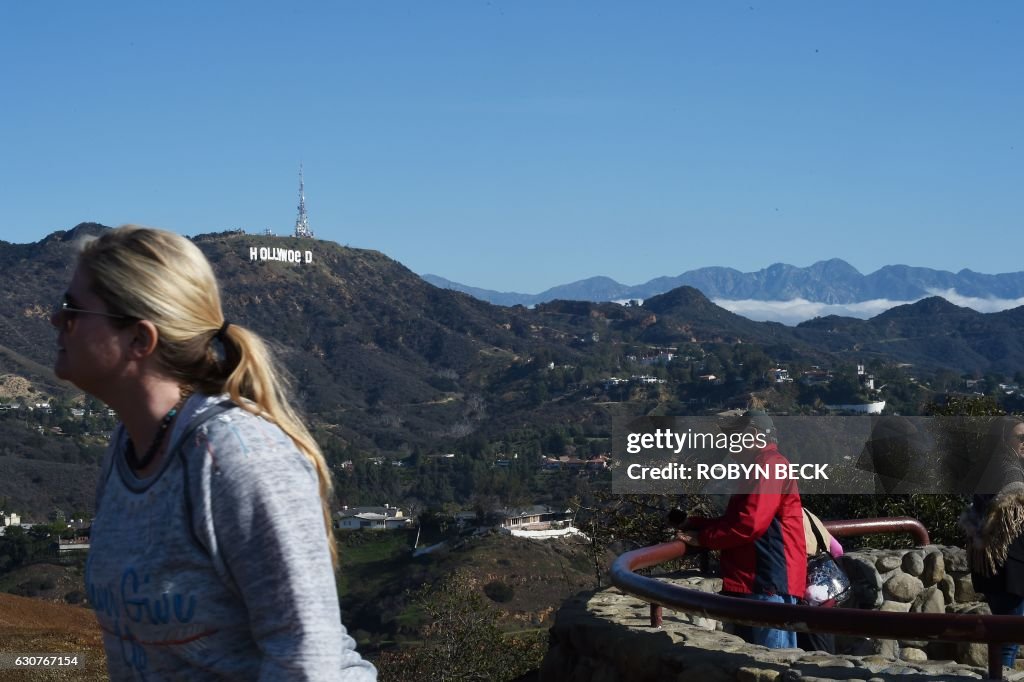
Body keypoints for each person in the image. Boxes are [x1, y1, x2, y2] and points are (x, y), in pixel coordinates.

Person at [51, 226, 376, 680]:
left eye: (71, 310)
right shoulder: (127, 448)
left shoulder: (238, 457)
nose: (53, 320)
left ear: (140, 340)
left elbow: (306, 657)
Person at [675, 410, 806, 648]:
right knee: (774, 656)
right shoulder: (765, 465)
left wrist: (704, 538)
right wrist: (697, 525)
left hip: (768, 579)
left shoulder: (769, 466)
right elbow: (740, 519)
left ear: (753, 436)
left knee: (774, 659)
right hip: (768, 577)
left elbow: (750, 524)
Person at [962, 416, 1024, 670]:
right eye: (1020, 438)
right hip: (1009, 568)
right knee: (1008, 637)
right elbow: (1011, 514)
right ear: (1003, 441)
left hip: (996, 566)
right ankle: (1001, 677)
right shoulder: (1008, 472)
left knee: (1006, 634)